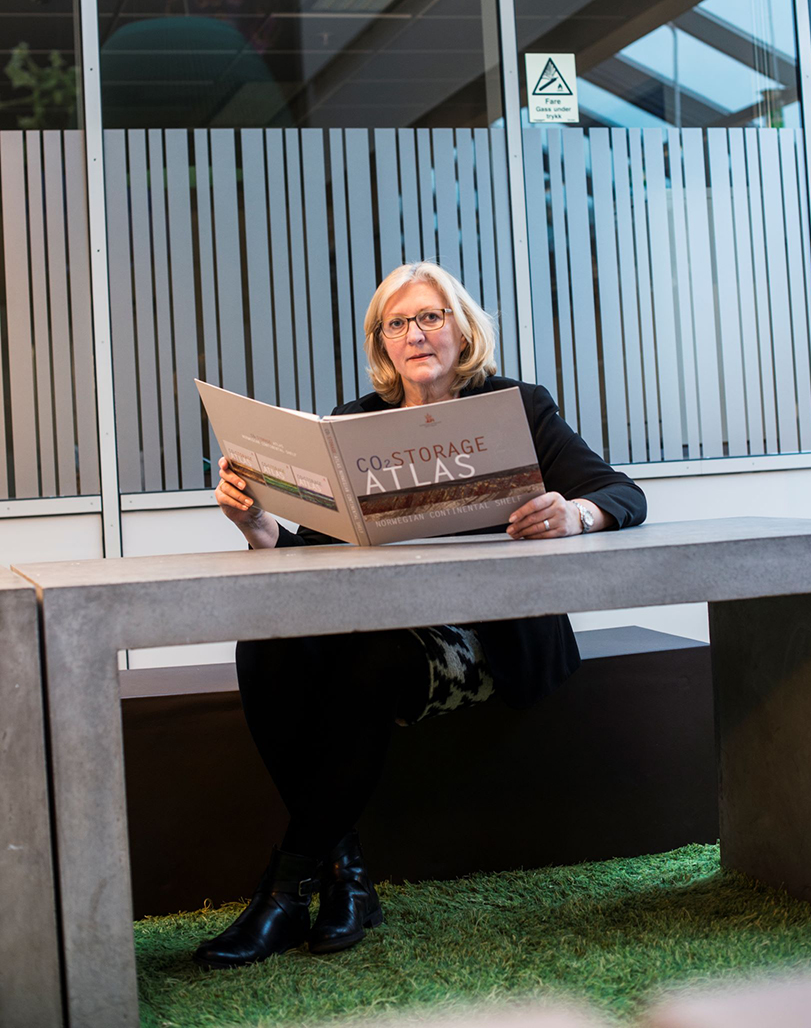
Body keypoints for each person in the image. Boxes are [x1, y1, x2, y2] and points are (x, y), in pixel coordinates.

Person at [194, 261, 646, 970]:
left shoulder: (518, 407)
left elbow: (621, 493)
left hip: (489, 635)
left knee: (370, 661)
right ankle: (343, 875)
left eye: (430, 316)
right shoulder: (352, 423)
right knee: (265, 644)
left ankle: (286, 893)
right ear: (383, 340)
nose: (415, 333)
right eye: (397, 322)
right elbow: (318, 546)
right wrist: (259, 528)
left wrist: (575, 512)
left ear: (462, 329)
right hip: (375, 622)